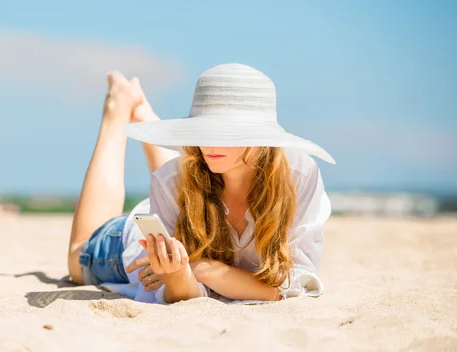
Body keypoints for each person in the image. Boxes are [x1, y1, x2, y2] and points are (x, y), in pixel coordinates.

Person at [67, 63, 335, 304]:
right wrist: (180, 273)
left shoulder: (298, 177)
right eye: (202, 130)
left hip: (182, 201)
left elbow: (299, 282)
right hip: (130, 242)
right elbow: (177, 295)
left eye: (224, 132)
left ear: (261, 137)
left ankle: (141, 108)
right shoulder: (174, 178)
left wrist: (204, 269)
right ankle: (117, 109)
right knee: (77, 255)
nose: (208, 143)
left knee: (186, 172)